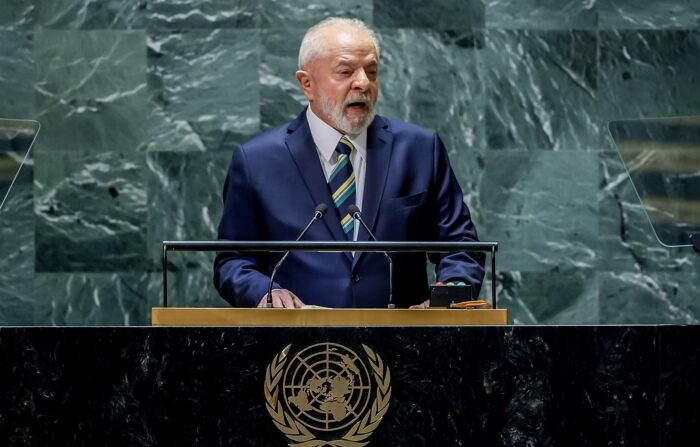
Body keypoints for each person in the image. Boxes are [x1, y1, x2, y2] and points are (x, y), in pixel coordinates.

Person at [213, 17, 484, 308]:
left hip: (404, 344)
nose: (363, 83)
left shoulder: (419, 150)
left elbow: (461, 249)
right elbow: (233, 262)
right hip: (299, 346)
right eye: (346, 72)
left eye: (372, 71)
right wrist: (265, 293)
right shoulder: (257, 160)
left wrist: (447, 299)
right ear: (307, 84)